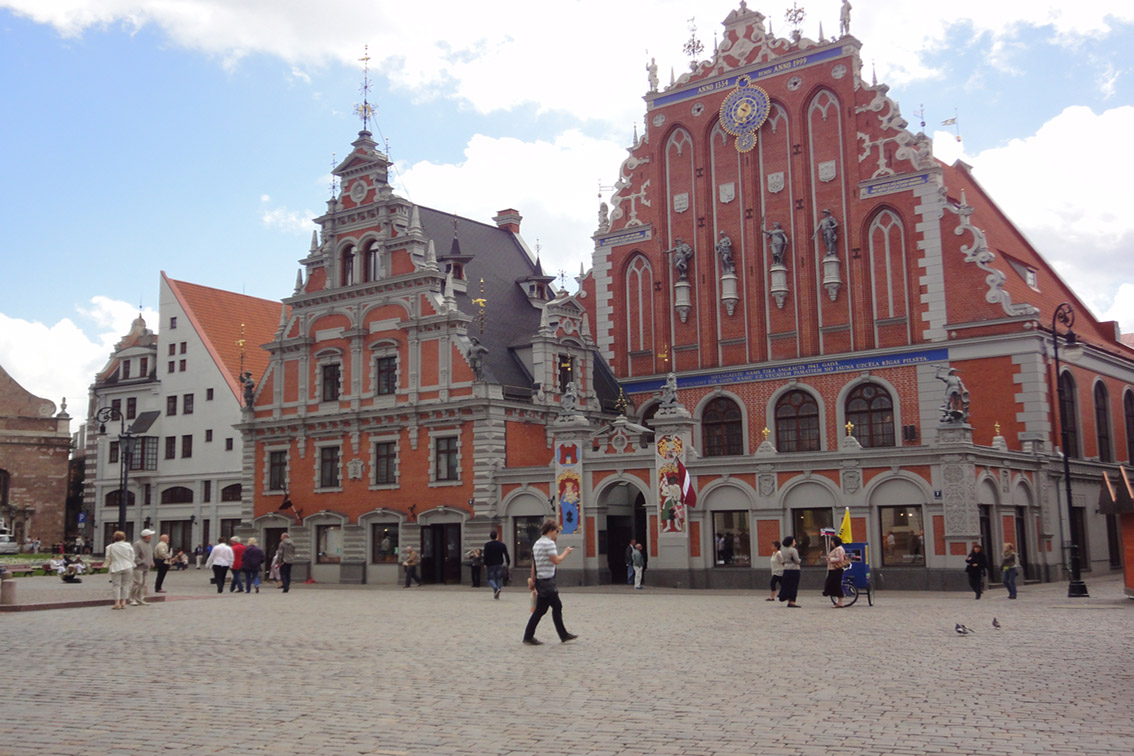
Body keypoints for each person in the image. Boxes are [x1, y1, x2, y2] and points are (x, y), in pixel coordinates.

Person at [522, 520, 578, 645]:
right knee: (557, 606)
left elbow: (534, 564)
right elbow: (556, 561)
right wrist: (566, 552)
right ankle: (563, 635)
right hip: (547, 581)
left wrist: (533, 581)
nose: (557, 535)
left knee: (541, 610)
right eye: (557, 532)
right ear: (551, 530)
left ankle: (528, 635)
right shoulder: (549, 544)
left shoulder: (537, 543)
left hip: (541, 580)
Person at [104, 531, 134, 610]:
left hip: (116, 566)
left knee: (116, 585)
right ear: (124, 537)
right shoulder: (128, 545)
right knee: (126, 585)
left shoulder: (110, 547)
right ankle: (124, 602)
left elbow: (107, 558)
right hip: (127, 566)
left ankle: (117, 603)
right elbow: (132, 556)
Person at [129, 529, 155, 606]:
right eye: (150, 535)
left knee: (143, 584)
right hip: (139, 568)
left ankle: (140, 598)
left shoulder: (148, 544)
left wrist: (151, 561)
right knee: (137, 583)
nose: (151, 537)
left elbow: (150, 554)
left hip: (146, 567)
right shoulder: (137, 544)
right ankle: (132, 599)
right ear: (145, 536)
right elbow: (135, 556)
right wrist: (142, 562)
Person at [483, 531, 511, 599]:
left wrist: (485, 563)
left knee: (490, 578)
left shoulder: (487, 545)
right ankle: (498, 590)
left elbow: (485, 555)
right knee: (498, 578)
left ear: (490, 536)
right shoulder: (502, 545)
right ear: (497, 536)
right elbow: (506, 554)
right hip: (499, 563)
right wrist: (508, 562)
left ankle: (495, 589)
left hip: (490, 564)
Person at [823, 536, 848, 608]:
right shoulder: (837, 549)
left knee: (836, 585)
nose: (831, 543)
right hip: (832, 569)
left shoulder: (839, 549)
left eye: (832, 541)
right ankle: (838, 601)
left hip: (836, 569)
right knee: (833, 584)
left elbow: (840, 559)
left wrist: (830, 559)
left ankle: (840, 602)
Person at [778, 536, 802, 607]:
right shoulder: (793, 550)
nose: (795, 543)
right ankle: (792, 601)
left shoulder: (783, 550)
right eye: (794, 541)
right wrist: (800, 560)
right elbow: (797, 560)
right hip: (794, 569)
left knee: (787, 585)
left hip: (786, 568)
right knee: (793, 585)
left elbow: (781, 560)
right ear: (791, 542)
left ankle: (788, 599)